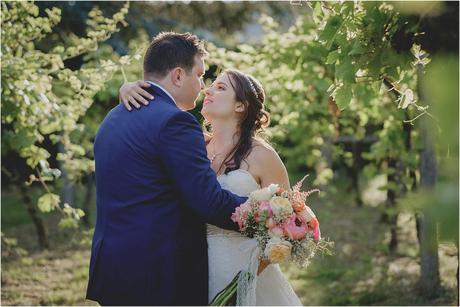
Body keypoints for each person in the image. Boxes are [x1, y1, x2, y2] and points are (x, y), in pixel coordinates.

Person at [86, 32, 248, 306]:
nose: (202, 86)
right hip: (158, 275)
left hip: (113, 268)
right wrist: (267, 214)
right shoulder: (175, 123)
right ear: (177, 76)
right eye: (199, 75)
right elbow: (208, 201)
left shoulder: (114, 117)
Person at [120, 67, 303, 305]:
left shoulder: (263, 156)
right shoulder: (193, 146)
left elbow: (288, 225)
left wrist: (243, 283)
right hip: (189, 272)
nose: (207, 90)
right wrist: (126, 88)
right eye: (211, 84)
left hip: (245, 275)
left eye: (221, 87)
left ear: (241, 106)